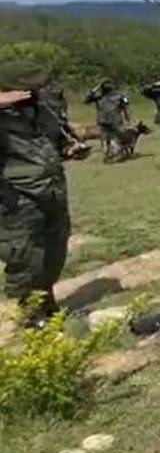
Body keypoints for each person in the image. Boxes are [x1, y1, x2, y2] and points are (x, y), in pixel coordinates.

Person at [0, 61, 73, 328]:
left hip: (51, 191)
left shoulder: (38, 111)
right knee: (26, 257)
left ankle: (47, 302)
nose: (37, 92)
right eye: (30, 88)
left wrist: (68, 149)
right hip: (17, 200)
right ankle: (30, 317)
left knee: (54, 251)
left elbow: (55, 140)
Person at [83, 78, 130, 163]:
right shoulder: (98, 96)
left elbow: (125, 106)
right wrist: (95, 89)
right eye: (104, 84)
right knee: (105, 141)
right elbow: (85, 100)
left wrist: (127, 118)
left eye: (109, 84)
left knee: (117, 139)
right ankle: (109, 155)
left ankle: (118, 155)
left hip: (116, 121)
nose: (107, 86)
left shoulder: (119, 95)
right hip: (103, 121)